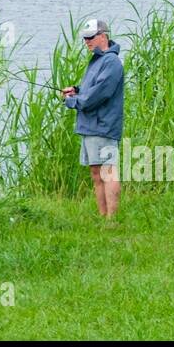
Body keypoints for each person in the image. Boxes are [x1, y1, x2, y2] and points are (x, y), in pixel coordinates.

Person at [62, 18, 124, 223]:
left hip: (103, 126)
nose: (87, 42)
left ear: (103, 36)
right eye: (85, 38)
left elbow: (98, 96)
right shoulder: (98, 60)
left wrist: (73, 102)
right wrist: (76, 91)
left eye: (90, 37)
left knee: (108, 171)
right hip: (90, 126)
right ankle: (103, 217)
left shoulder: (111, 62)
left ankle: (112, 221)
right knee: (96, 174)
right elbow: (90, 91)